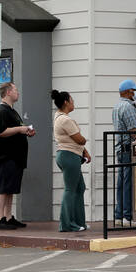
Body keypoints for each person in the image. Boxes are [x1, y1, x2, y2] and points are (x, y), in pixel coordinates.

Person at [0, 81, 35, 230]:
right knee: (4, 188)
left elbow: (16, 129)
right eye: (15, 90)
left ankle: (8, 216)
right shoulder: (2, 111)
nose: (18, 92)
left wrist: (26, 131)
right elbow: (0, 132)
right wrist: (20, 129)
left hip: (17, 156)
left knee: (11, 188)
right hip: (7, 156)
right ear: (8, 93)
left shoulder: (12, 111)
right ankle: (0, 218)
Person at [51, 89, 89, 232]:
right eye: (72, 100)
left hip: (69, 154)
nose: (73, 103)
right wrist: (84, 141)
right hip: (69, 156)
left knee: (79, 188)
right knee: (70, 189)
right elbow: (79, 139)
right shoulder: (64, 119)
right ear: (66, 102)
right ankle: (67, 224)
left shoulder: (59, 116)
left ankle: (79, 222)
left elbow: (74, 141)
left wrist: (84, 151)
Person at [111, 79, 136, 226]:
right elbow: (134, 131)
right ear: (129, 92)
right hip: (128, 148)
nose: (135, 93)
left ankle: (119, 215)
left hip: (120, 148)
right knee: (128, 182)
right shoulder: (128, 107)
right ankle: (127, 216)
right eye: (134, 90)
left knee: (121, 182)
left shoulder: (117, 106)